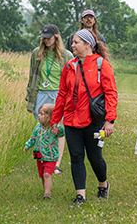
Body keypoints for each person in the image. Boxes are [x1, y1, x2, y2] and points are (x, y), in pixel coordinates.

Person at [50, 29, 118, 207]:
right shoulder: (69, 66)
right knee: (76, 157)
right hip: (72, 121)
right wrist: (55, 120)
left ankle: (103, 184)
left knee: (95, 158)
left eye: (76, 42)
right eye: (72, 42)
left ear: (88, 45)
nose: (72, 45)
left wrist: (109, 120)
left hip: (94, 121)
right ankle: (80, 196)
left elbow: (111, 93)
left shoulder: (101, 65)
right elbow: (62, 94)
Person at [26, 23, 73, 175]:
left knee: (58, 128)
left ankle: (56, 164)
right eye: (44, 38)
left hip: (59, 94)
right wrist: (30, 100)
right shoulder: (36, 53)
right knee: (43, 127)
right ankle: (45, 160)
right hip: (41, 93)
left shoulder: (67, 55)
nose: (46, 41)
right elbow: (32, 76)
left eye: (49, 38)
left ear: (56, 37)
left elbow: (71, 81)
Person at [23, 103, 65, 199]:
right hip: (40, 156)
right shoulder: (37, 127)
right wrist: (27, 146)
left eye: (41, 114)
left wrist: (57, 129)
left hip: (51, 157)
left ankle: (47, 193)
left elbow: (62, 132)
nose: (39, 116)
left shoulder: (53, 128)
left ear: (49, 117)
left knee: (47, 174)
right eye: (39, 113)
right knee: (42, 175)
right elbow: (33, 138)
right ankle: (45, 189)